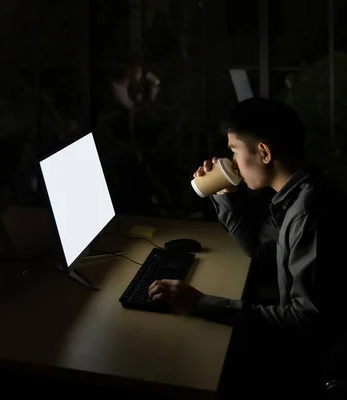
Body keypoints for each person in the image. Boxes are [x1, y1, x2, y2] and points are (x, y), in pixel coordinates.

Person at [147, 97, 347, 396]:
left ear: (263, 152)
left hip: (311, 363)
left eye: (235, 151)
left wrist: (201, 303)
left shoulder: (308, 214)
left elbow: (306, 320)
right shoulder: (295, 195)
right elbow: (258, 250)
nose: (233, 161)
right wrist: (225, 192)